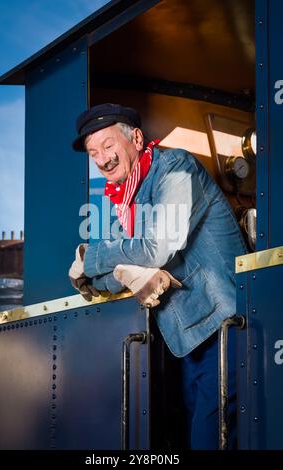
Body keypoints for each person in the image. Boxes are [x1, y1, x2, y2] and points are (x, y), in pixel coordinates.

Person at [69, 103, 247, 449]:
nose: (102, 159)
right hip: (186, 342)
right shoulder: (128, 203)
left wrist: (89, 261)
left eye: (108, 145)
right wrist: (99, 274)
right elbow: (116, 273)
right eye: (93, 153)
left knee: (210, 440)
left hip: (224, 329)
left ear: (136, 138)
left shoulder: (176, 169)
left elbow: (156, 247)